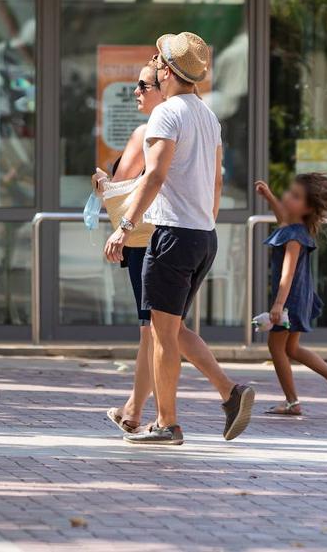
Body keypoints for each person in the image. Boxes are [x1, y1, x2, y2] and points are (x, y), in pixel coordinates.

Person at [104, 32, 255, 445]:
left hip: (171, 234)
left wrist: (124, 226)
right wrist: (203, 219)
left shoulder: (167, 113)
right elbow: (218, 180)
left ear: (167, 72)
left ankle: (168, 423)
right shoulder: (207, 115)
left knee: (162, 336)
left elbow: (154, 174)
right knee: (168, 329)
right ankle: (229, 394)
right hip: (202, 236)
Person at [97, 58, 163, 434]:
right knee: (158, 331)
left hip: (141, 237)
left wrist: (104, 177)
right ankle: (133, 410)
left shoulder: (146, 132)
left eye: (142, 86)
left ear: (161, 87)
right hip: (175, 233)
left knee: (153, 332)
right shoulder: (186, 127)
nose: (136, 92)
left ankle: (227, 389)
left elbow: (119, 187)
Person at [254, 174, 327, 416]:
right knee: (292, 349)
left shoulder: (295, 237)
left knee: (276, 347)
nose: (288, 197)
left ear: (307, 208)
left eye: (296, 196)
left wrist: (278, 305)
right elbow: (282, 217)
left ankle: (292, 402)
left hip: (290, 300)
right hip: (299, 298)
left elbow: (286, 275)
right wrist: (269, 197)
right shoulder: (293, 228)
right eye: (290, 192)